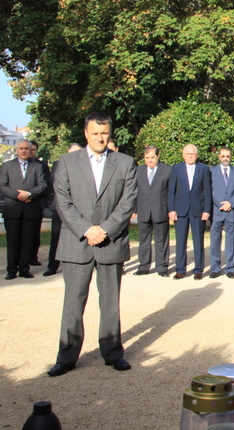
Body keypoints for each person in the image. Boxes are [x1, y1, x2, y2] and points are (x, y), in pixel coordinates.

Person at [47, 112, 137, 376]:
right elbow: (62, 201)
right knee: (73, 303)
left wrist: (105, 229)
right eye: (95, 133)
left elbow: (128, 201)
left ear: (110, 134)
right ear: (86, 134)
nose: (100, 137)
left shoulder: (125, 163)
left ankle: (112, 352)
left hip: (111, 241)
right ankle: (66, 356)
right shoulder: (66, 162)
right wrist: (87, 229)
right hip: (77, 241)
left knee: (110, 302)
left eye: (104, 133)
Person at [1, 139, 47, 279]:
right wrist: (18, 195)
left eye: (26, 148)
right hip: (12, 209)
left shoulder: (37, 166)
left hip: (30, 208)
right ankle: (11, 269)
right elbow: (2, 186)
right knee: (13, 241)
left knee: (27, 240)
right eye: (21, 148)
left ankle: (24, 269)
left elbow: (42, 185)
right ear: (17, 150)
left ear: (30, 150)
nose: (24, 151)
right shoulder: (7, 166)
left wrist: (29, 194)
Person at [168, 144, 212, 280]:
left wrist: (207, 210)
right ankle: (180, 269)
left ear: (196, 155)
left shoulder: (204, 169)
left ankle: (198, 270)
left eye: (192, 154)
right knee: (180, 241)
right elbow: (171, 191)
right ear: (183, 155)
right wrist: (171, 209)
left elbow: (207, 191)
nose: (190, 156)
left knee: (198, 241)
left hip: (198, 209)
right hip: (180, 209)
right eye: (188, 154)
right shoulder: (176, 169)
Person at [132, 145, 172, 276]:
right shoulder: (138, 170)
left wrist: (171, 210)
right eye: (147, 157)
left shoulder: (167, 170)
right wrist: (134, 208)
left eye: (152, 157)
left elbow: (171, 192)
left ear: (158, 156)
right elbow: (134, 191)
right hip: (143, 210)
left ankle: (162, 267)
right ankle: (143, 266)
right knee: (144, 240)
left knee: (162, 240)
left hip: (161, 210)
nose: (150, 160)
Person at [43, 143, 83, 276]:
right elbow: (54, 180)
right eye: (73, 152)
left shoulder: (85, 165)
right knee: (56, 237)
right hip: (60, 207)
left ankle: (78, 264)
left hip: (79, 206)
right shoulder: (59, 163)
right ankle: (52, 266)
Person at [209, 147, 234, 279]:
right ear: (219, 156)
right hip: (216, 211)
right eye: (223, 156)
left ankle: (230, 268)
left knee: (231, 240)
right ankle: (215, 268)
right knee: (215, 241)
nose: (225, 158)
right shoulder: (211, 171)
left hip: (232, 211)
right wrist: (220, 203)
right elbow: (210, 190)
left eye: (227, 156)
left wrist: (231, 203)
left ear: (231, 157)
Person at [28, 140, 50, 266]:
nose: (31, 152)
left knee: (35, 232)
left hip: (37, 202)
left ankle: (33, 257)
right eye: (29, 149)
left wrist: (31, 195)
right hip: (21, 203)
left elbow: (45, 183)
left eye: (33, 150)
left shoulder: (42, 165)